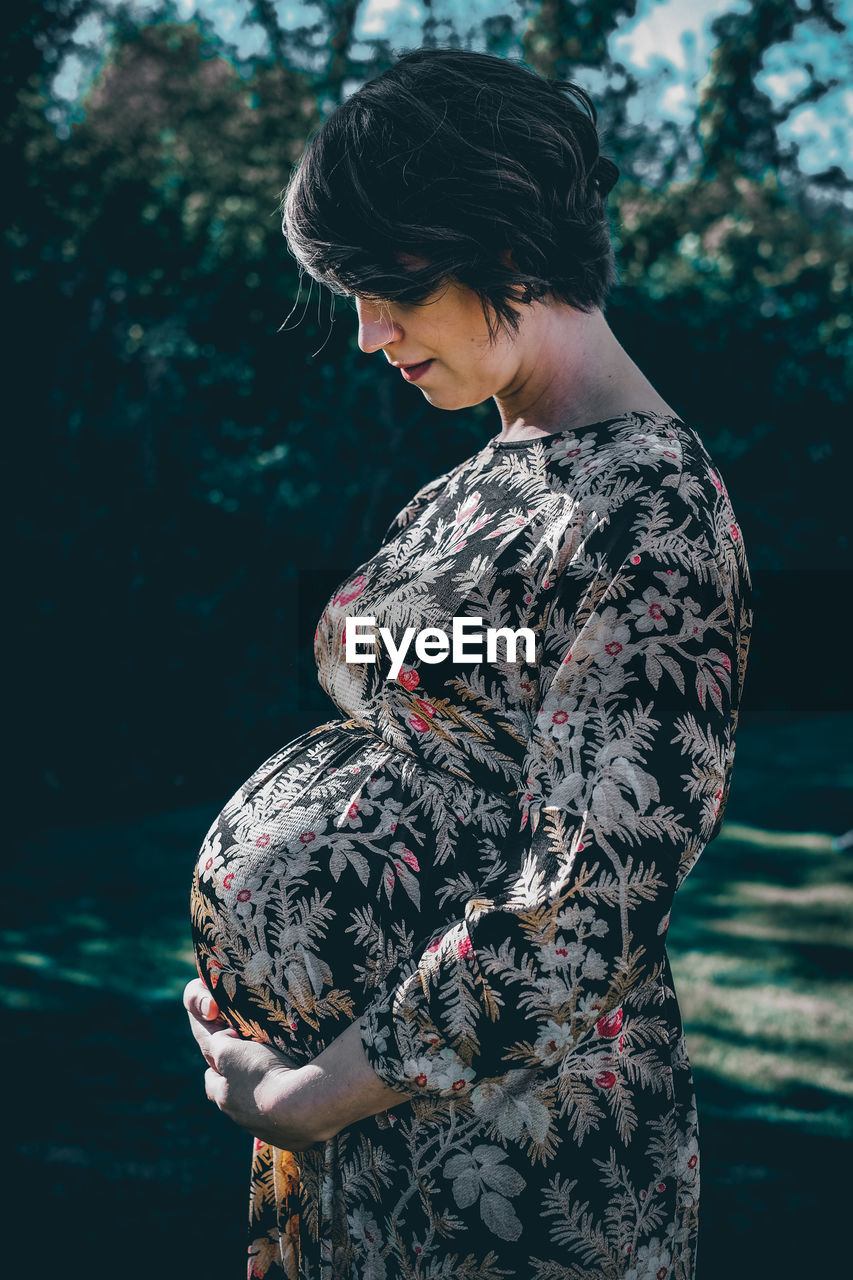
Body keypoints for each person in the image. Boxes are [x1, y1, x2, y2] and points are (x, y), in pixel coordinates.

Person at [183, 47, 753, 1280]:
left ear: (505, 250)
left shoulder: (653, 512)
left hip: (504, 1163)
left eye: (388, 286)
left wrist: (306, 1095)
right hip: (367, 1137)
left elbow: (586, 901)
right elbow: (445, 685)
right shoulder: (484, 477)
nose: (366, 333)